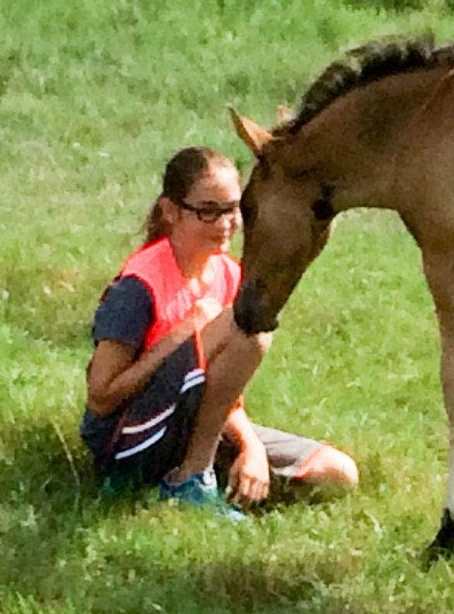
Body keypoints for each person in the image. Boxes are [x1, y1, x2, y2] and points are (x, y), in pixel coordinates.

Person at [80, 146, 357, 518]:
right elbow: (100, 400)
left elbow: (220, 390)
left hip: (196, 428)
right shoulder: (139, 286)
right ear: (170, 211)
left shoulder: (229, 273)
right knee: (248, 322)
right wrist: (179, 336)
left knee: (338, 473)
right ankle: (189, 480)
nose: (225, 223)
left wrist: (251, 446)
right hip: (127, 442)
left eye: (233, 209)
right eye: (208, 211)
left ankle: (201, 473)